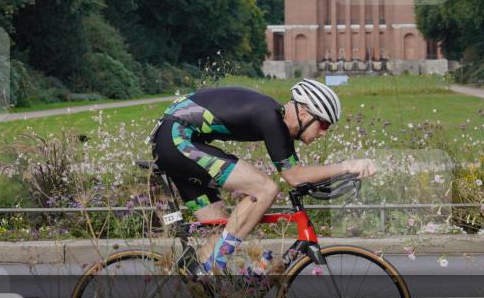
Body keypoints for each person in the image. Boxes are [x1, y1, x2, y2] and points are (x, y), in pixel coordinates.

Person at [150, 79, 376, 275]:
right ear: (304, 113)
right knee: (265, 189)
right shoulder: (270, 116)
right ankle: (214, 264)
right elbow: (294, 177)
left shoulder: (274, 118)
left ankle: (204, 295)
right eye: (324, 123)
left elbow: (298, 174)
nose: (324, 132)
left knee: (219, 231)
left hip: (175, 141)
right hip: (178, 139)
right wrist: (347, 166)